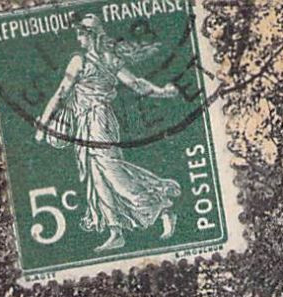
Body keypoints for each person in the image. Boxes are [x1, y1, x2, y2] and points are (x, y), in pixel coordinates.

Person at [35, 13, 181, 252]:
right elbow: (137, 85)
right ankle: (115, 231)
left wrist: (43, 125)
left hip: (99, 121)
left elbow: (62, 93)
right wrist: (162, 91)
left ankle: (161, 206)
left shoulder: (87, 61)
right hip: (86, 123)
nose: (78, 37)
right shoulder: (103, 60)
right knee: (97, 176)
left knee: (112, 173)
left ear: (91, 35)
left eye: (81, 33)